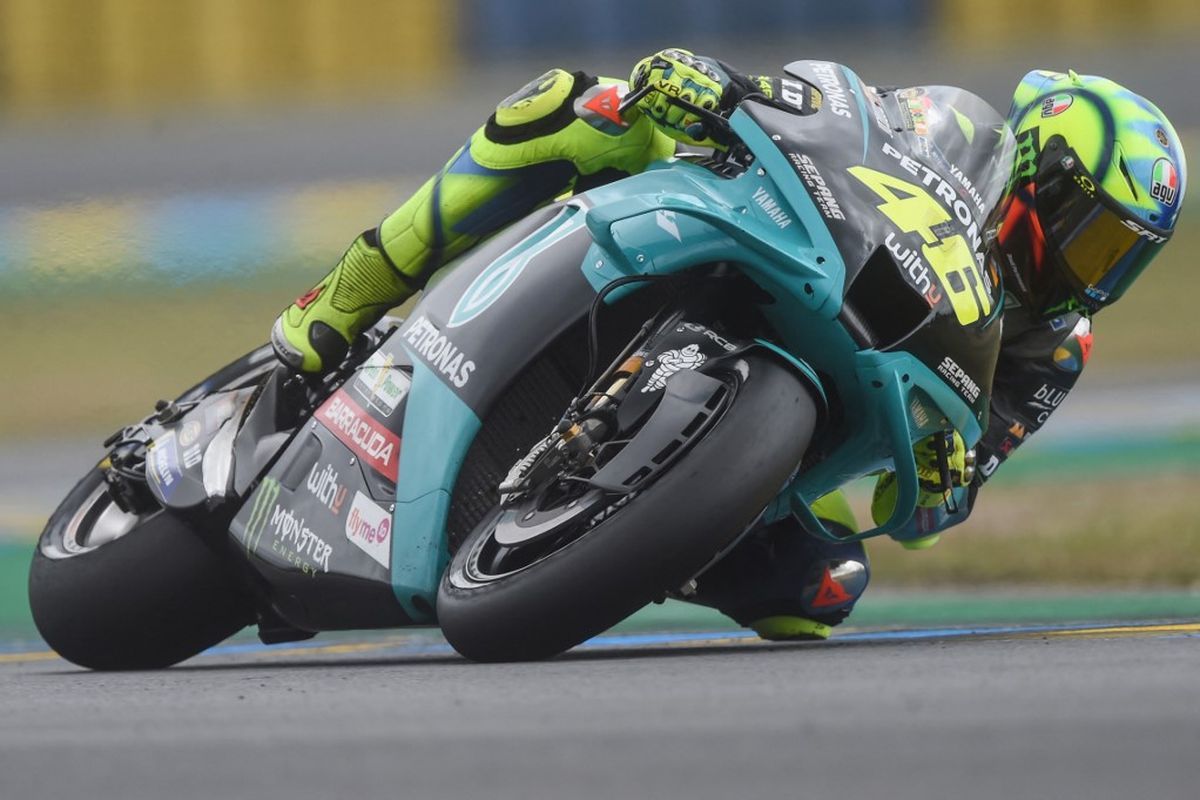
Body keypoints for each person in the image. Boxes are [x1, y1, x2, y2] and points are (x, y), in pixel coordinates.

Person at [270, 49, 1187, 641]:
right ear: (1039, 178)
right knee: (581, 105)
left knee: (826, 588)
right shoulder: (953, 135)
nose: (1092, 268)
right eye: (1090, 232)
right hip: (784, 256)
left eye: (1122, 257)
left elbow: (922, 515)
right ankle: (350, 293)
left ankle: (635, 538)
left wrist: (950, 483)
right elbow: (840, 114)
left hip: (795, 445)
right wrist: (730, 90)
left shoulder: (1056, 350)